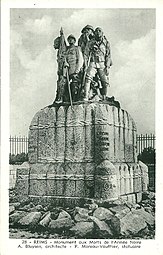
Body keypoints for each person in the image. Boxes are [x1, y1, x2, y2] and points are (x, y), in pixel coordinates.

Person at [83, 27, 112, 101]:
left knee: (105, 81)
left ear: (102, 33)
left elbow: (108, 55)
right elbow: (86, 54)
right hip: (93, 62)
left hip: (102, 63)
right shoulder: (90, 42)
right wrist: (86, 64)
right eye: (96, 31)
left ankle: (104, 97)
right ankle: (86, 96)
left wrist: (107, 67)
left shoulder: (106, 43)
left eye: (99, 31)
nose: (98, 32)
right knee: (88, 78)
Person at [63, 34, 84, 101]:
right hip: (68, 70)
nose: (70, 40)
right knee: (65, 85)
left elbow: (80, 59)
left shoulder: (77, 48)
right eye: (69, 39)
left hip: (75, 69)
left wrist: (77, 70)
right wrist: (65, 63)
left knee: (75, 85)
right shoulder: (66, 50)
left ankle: (75, 99)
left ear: (74, 40)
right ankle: (67, 99)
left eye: (72, 39)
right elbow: (64, 58)